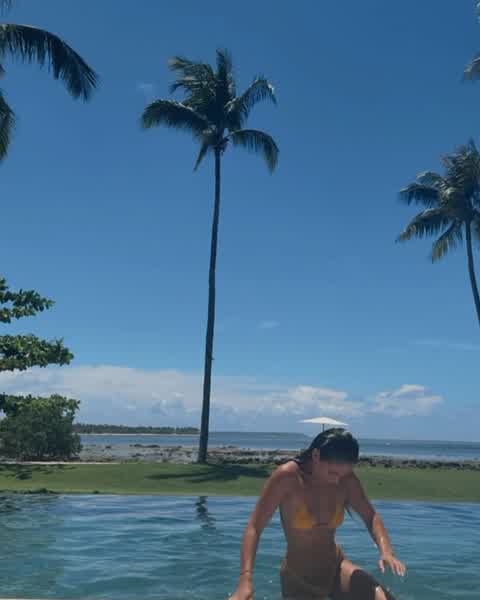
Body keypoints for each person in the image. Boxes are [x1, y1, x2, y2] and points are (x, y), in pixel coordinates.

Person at [229, 428, 406, 600]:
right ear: (315, 455)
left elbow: (370, 516)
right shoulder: (288, 477)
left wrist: (386, 551)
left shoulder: (346, 479)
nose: (337, 479)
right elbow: (254, 527)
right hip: (299, 579)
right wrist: (245, 581)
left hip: (336, 568)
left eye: (343, 474)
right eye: (333, 472)